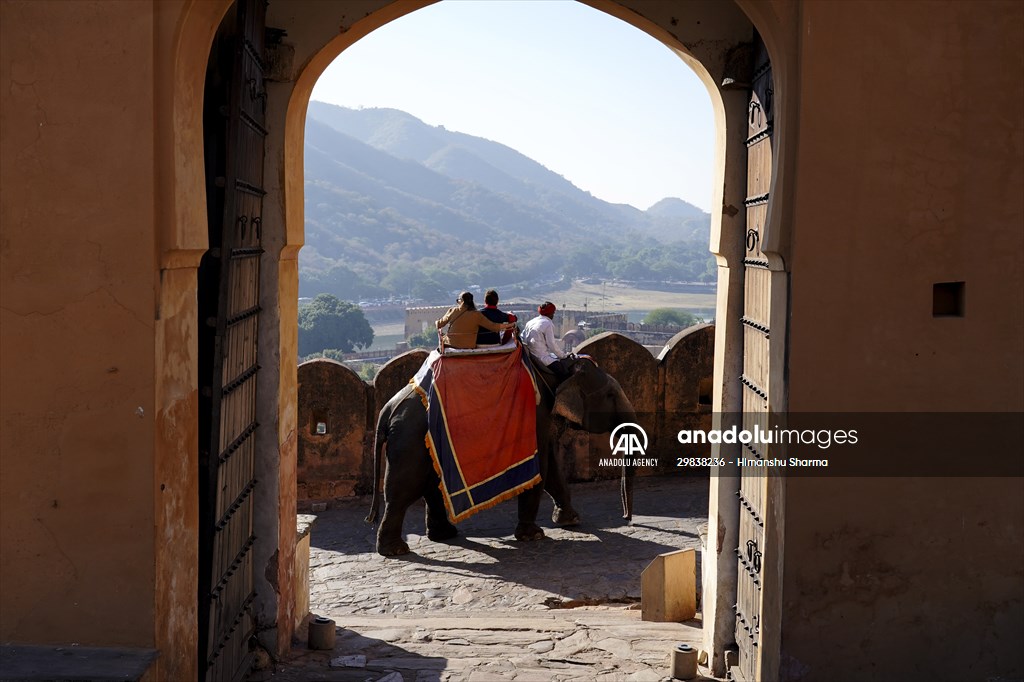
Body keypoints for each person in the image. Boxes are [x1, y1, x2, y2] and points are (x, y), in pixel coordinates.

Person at [436, 291, 513, 350]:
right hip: (469, 345)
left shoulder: (453, 311)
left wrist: (437, 321)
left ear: (461, 301)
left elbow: (439, 325)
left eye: (458, 300)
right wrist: (510, 325)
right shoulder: (477, 315)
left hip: (451, 343)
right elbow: (493, 327)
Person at [522, 301, 571, 379]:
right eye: (553, 313)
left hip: (530, 356)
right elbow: (552, 344)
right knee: (564, 372)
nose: (553, 315)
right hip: (542, 357)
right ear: (550, 313)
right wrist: (563, 356)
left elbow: (523, 337)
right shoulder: (548, 323)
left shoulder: (530, 322)